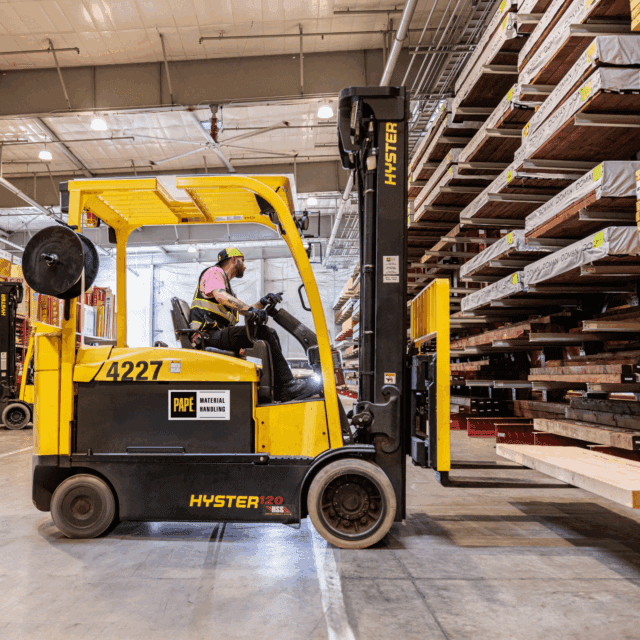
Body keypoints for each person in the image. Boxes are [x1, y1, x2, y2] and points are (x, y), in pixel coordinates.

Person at [189, 247, 316, 402]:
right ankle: (287, 386)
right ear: (233, 259)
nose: (245, 266)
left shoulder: (227, 289)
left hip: (216, 334)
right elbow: (221, 296)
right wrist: (250, 310)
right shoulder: (214, 272)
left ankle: (280, 388)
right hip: (207, 336)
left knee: (270, 333)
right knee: (264, 332)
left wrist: (262, 303)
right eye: (242, 261)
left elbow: (244, 310)